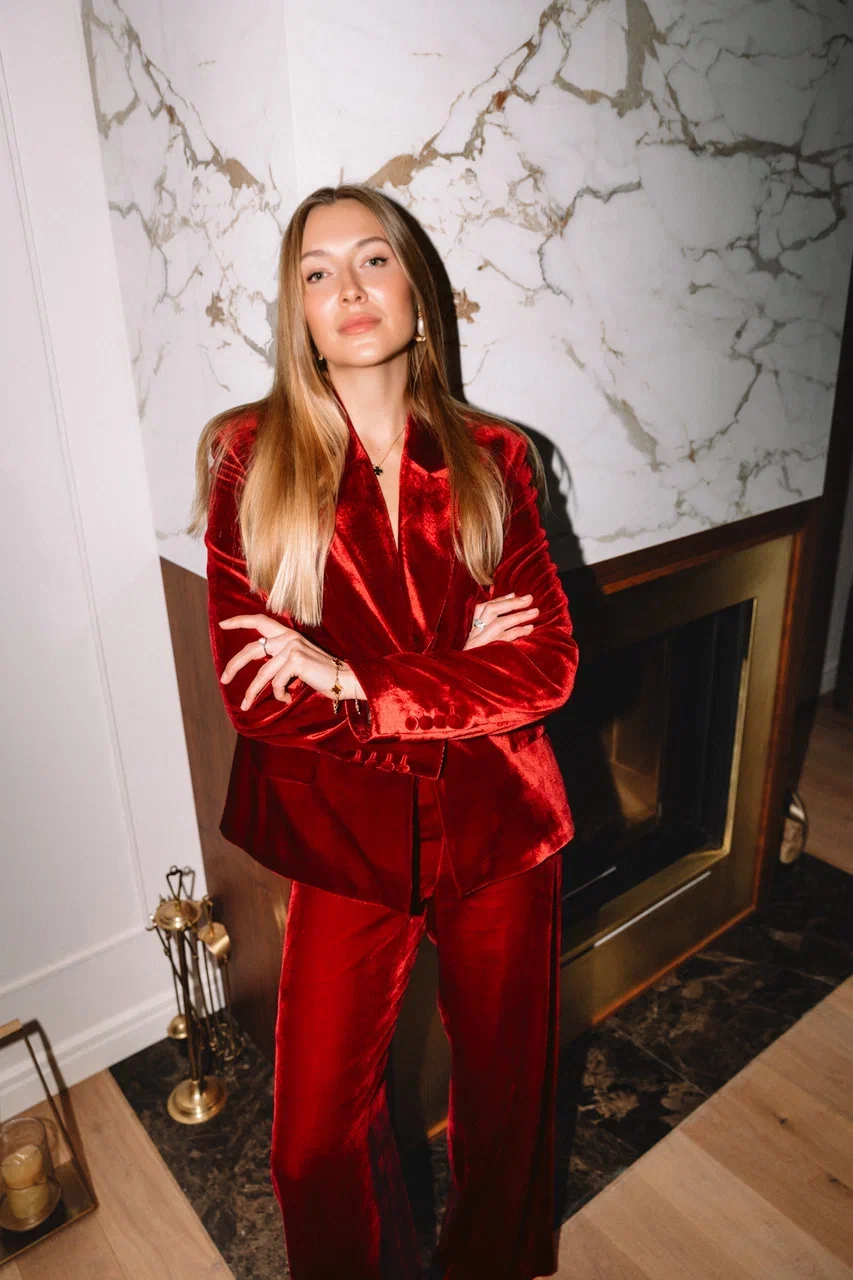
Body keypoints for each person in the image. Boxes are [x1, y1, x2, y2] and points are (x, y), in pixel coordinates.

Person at [188, 182, 579, 1280]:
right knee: (312, 1139)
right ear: (298, 312)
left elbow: (546, 662)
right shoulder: (248, 456)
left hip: (503, 823)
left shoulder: (496, 454)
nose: (348, 289)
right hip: (347, 837)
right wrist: (461, 672)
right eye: (317, 273)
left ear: (416, 290)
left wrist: (353, 679)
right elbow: (258, 694)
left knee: (506, 1099)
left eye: (372, 260)